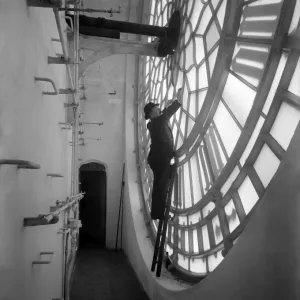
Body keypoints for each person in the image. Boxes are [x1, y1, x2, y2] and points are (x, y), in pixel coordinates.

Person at [144, 88, 182, 220]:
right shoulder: (157, 122)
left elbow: (164, 113)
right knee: (160, 186)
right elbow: (167, 113)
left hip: (159, 158)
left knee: (160, 184)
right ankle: (158, 214)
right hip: (160, 158)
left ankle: (158, 213)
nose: (158, 110)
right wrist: (177, 100)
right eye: (155, 109)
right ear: (151, 113)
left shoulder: (154, 124)